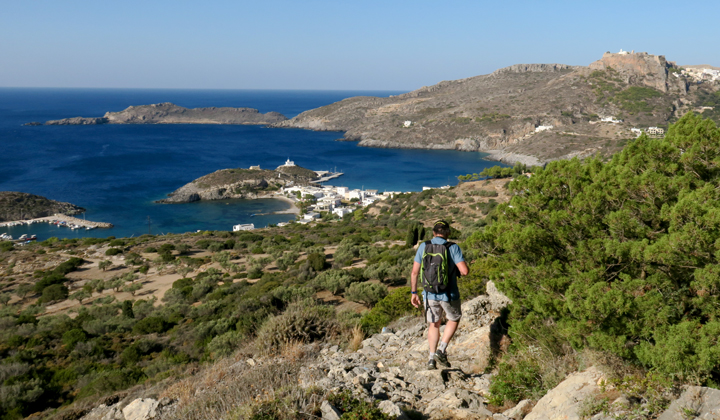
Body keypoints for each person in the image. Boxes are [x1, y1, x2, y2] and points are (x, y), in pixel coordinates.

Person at [410, 220, 469, 370]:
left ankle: (431, 359)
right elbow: (465, 271)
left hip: (429, 293)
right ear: (448, 233)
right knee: (454, 318)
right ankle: (441, 350)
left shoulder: (424, 246)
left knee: (434, 324)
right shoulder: (452, 247)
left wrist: (414, 292)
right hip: (449, 293)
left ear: (434, 232)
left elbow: (414, 272)